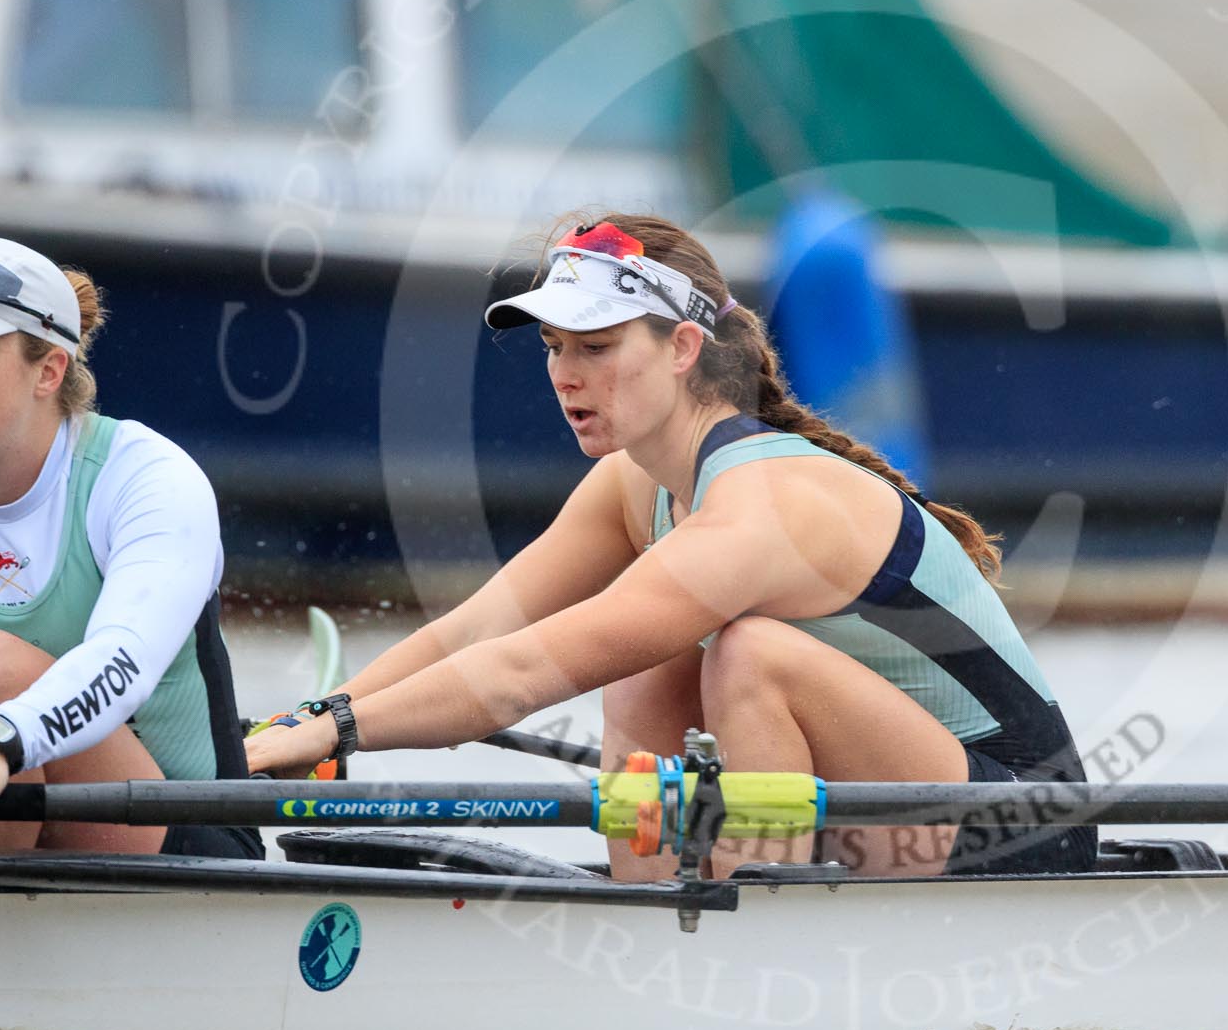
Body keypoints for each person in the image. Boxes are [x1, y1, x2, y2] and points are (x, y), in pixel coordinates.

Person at [247, 215, 1096, 878]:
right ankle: (651, 905)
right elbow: (482, 631)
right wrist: (310, 718)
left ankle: (755, 920)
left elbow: (524, 673)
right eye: (554, 348)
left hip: (1020, 825)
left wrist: (343, 730)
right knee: (651, 660)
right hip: (891, 800)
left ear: (683, 348)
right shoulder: (632, 483)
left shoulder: (763, 504)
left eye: (598, 346)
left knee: (749, 654)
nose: (566, 375)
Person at [0, 238, 256, 856]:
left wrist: (1, 738)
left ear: (49, 370)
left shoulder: (146, 478)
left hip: (174, 832)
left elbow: (123, 665)